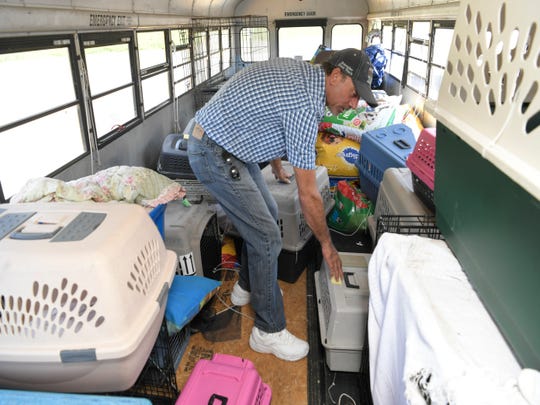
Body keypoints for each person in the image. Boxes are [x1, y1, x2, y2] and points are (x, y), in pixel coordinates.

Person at [187, 48, 378, 362]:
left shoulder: (305, 76)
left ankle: (245, 287)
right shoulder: (305, 104)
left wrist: (276, 165)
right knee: (266, 236)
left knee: (269, 216)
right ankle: (268, 331)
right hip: (213, 149)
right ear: (335, 76)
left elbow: (263, 116)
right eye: (354, 93)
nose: (353, 104)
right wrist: (327, 246)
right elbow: (309, 195)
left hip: (228, 141)